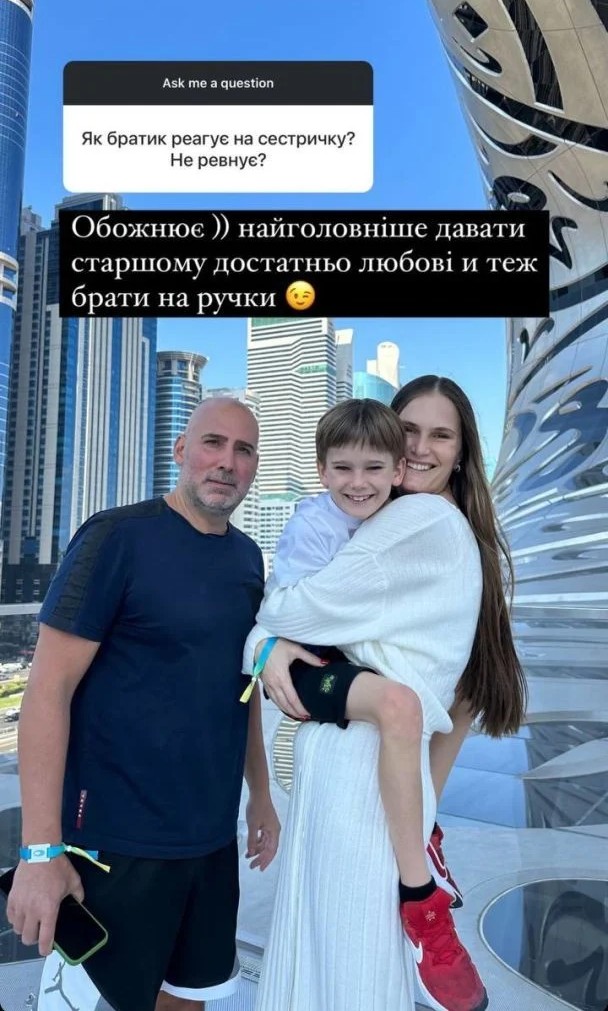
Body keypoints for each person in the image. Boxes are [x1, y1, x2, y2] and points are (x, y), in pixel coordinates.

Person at [244, 376, 527, 1011]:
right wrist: (423, 819)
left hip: (357, 769)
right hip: (387, 776)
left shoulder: (416, 520)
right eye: (410, 432)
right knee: (357, 963)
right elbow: (462, 702)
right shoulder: (455, 530)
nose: (422, 448)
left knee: (337, 963)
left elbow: (292, 609)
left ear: (462, 452)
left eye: (441, 436)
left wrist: (262, 643)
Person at [8, 398, 281, 1011]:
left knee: (189, 999)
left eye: (243, 450)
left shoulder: (247, 559)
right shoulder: (116, 537)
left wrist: (260, 794)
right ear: (181, 450)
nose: (227, 462)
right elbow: (47, 692)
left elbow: (242, 689)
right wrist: (40, 851)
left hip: (209, 841)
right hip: (114, 841)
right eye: (213, 443)